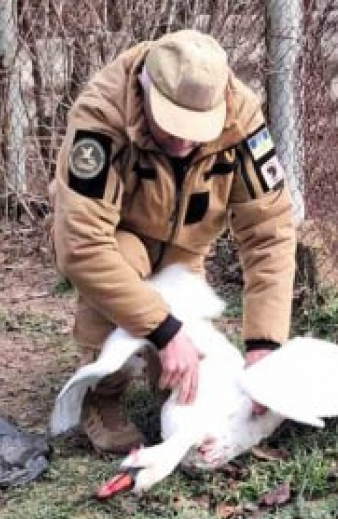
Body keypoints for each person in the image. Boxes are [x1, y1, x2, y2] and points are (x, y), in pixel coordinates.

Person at [49, 29, 296, 453]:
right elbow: (83, 246)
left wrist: (264, 345)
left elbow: (269, 233)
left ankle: (162, 370)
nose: (183, 143)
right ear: (146, 90)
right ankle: (102, 393)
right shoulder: (101, 115)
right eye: (173, 126)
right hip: (115, 242)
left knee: (189, 378)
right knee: (124, 271)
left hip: (185, 251)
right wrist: (165, 330)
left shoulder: (241, 120)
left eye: (196, 130)